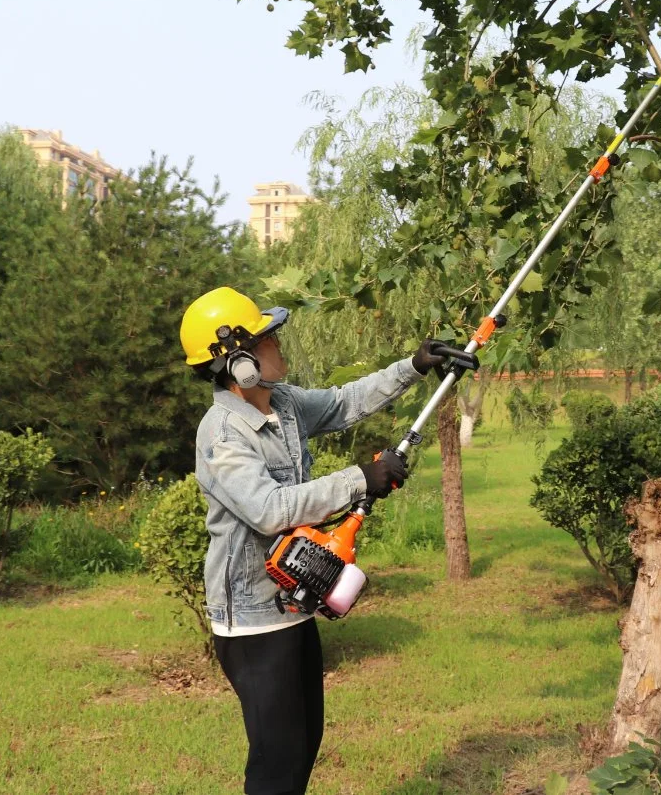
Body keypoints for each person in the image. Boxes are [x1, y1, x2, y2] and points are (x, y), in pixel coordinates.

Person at [179, 286, 455, 795]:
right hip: (253, 623)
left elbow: (344, 403)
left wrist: (413, 367)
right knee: (276, 764)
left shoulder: (281, 403)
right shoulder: (222, 433)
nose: (279, 345)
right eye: (268, 339)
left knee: (304, 745)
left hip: (291, 604)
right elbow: (268, 510)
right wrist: (360, 479)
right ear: (238, 362)